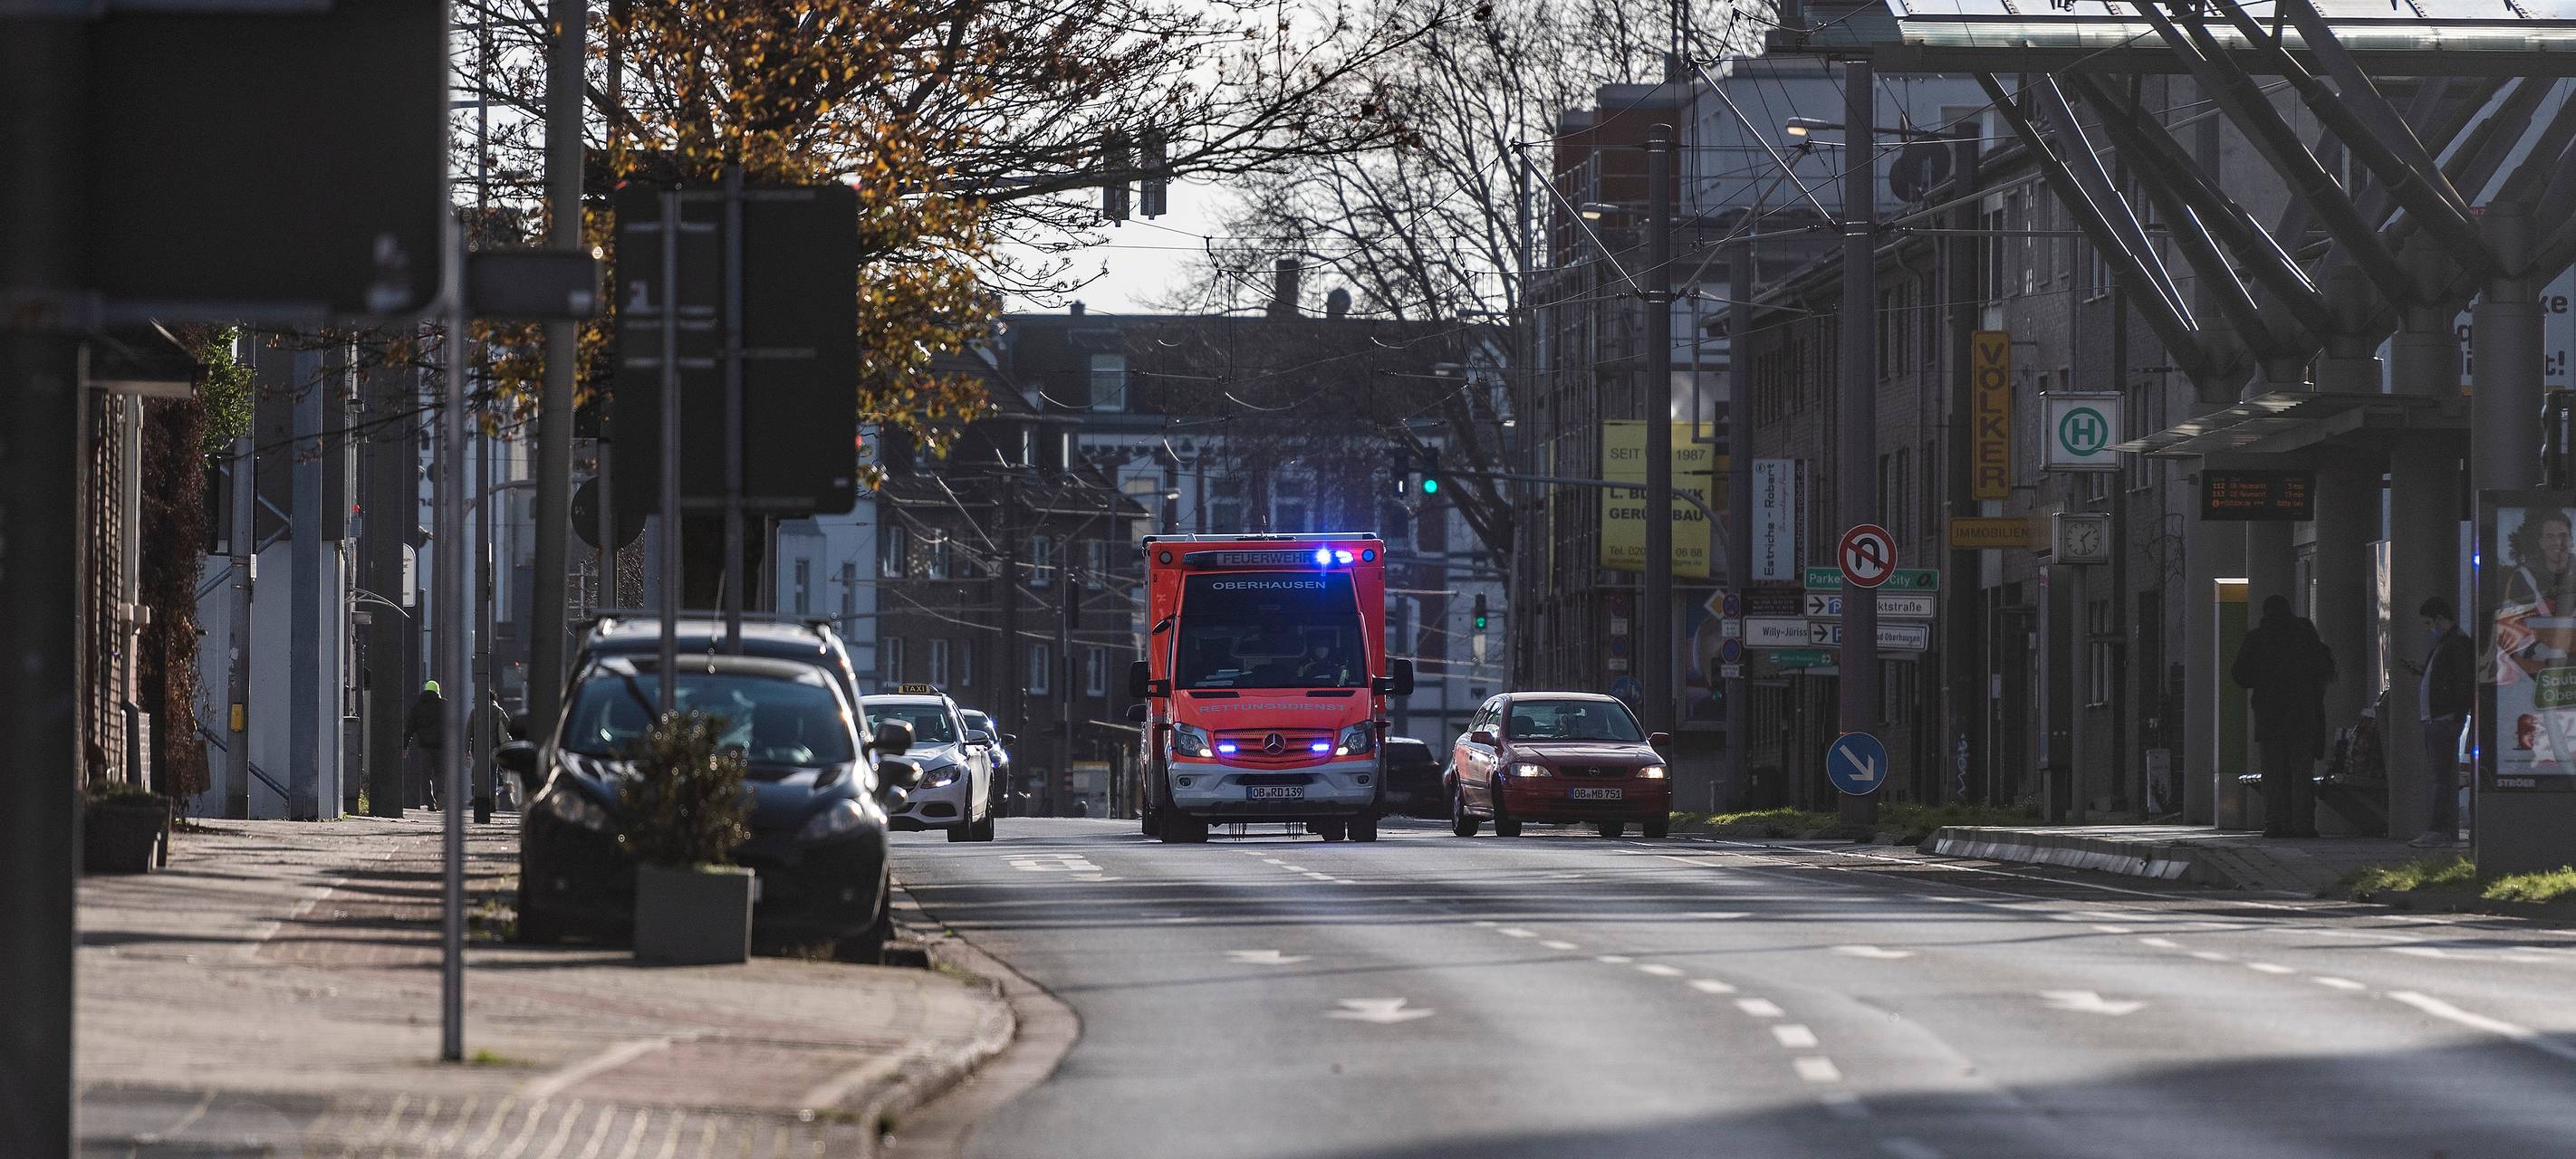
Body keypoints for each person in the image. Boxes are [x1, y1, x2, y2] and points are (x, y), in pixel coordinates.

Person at [2231, 596, 2335, 838]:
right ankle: (2304, 824)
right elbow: (2322, 668)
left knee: (2274, 773)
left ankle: (2275, 823)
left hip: (2270, 717)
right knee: (2301, 772)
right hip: (2302, 715)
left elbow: (2239, 674)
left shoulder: (2256, 638)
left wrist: (2261, 677)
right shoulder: (2305, 633)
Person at [2404, 597, 2474, 848]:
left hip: (2443, 719)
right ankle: (2437, 829)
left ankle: (2437, 829)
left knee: (2441, 778)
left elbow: (2462, 682)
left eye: (2428, 623)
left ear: (2441, 620)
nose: (2427, 629)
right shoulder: (2449, 643)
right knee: (2440, 776)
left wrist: (2456, 714)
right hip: (2438, 718)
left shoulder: (2455, 644)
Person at [403, 680, 446, 809]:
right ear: (438, 691)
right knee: (441, 773)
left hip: (424, 746)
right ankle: (440, 794)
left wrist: (404, 746)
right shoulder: (445, 705)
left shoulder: (418, 707)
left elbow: (410, 728)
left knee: (425, 776)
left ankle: (430, 802)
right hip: (441, 746)